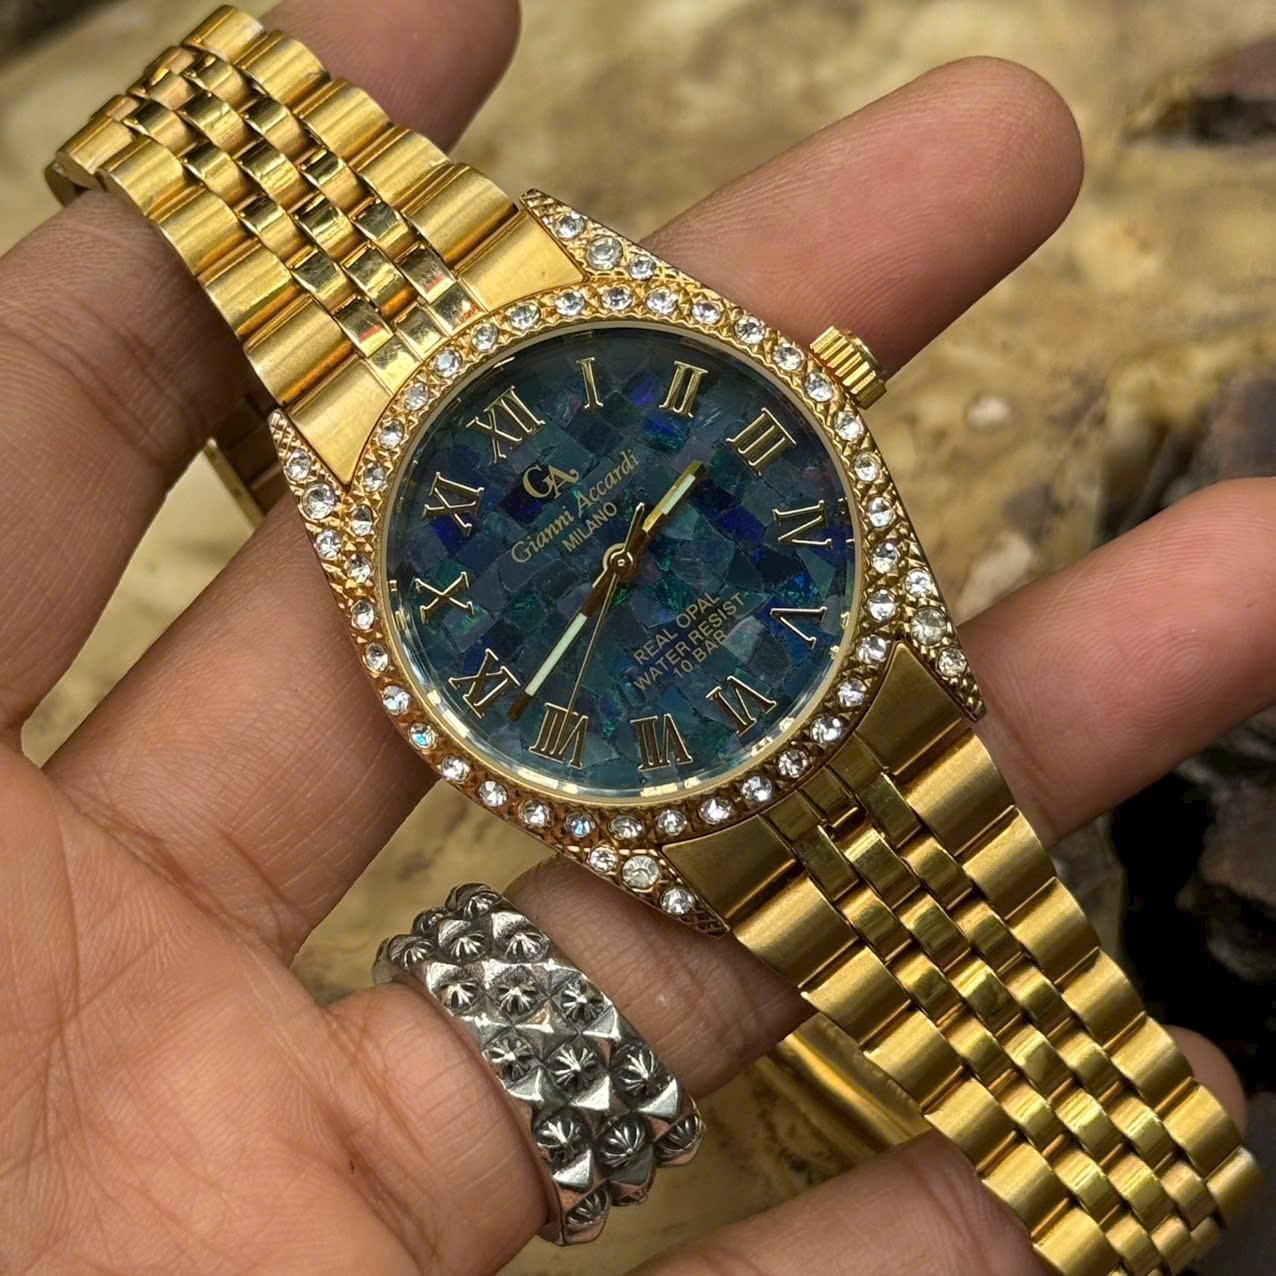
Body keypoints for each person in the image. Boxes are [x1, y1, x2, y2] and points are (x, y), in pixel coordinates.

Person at [0, 1, 1259, 1270]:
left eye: (623, 540)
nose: (614, 558)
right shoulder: (355, 500)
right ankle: (1118, 1172)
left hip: (824, 684)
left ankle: (1122, 1161)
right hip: (684, 776)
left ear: (816, 382)